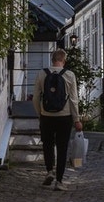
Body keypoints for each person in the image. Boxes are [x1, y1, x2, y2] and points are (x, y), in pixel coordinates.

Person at [33, 48, 81, 191]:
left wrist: (40, 113)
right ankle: (59, 181)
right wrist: (76, 119)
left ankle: (49, 171)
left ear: (52, 59)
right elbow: (74, 100)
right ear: (64, 61)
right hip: (64, 117)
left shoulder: (42, 74)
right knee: (62, 148)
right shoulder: (70, 75)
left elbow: (36, 97)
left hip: (46, 116)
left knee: (47, 144)